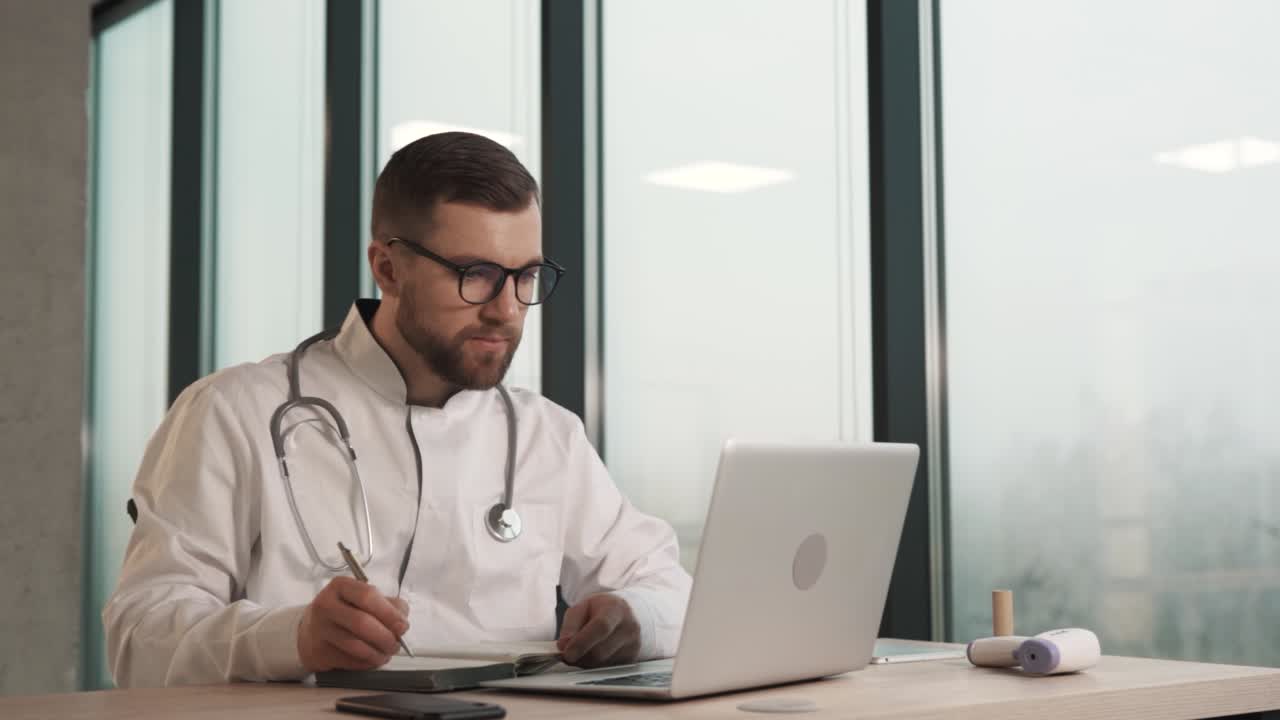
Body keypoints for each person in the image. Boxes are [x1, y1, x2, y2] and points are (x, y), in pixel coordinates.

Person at [103, 132, 691, 687]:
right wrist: (291, 638)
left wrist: (634, 618)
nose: (507, 310)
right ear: (387, 268)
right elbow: (139, 637)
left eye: (526, 276)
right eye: (477, 275)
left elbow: (675, 594)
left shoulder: (547, 436)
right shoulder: (234, 411)